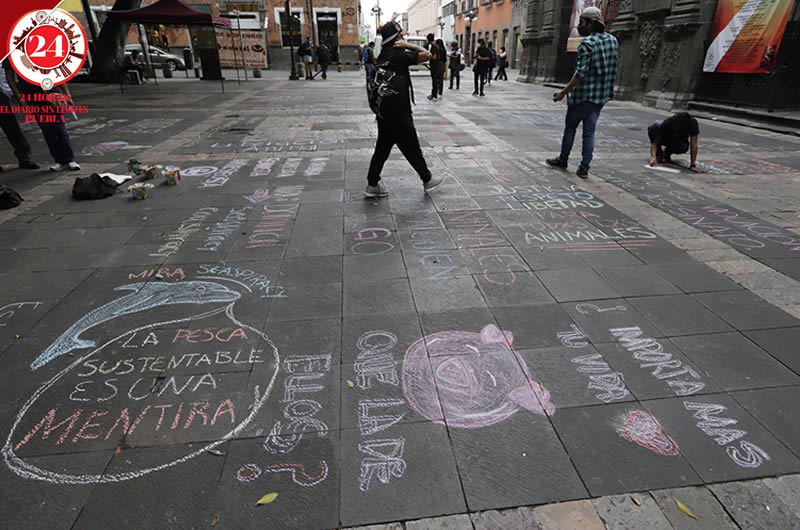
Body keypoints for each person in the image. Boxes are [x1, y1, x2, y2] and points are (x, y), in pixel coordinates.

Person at [365, 22, 445, 198]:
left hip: (384, 112)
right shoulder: (398, 55)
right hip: (399, 113)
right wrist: (410, 45)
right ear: (396, 37)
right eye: (401, 35)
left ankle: (372, 184)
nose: (403, 37)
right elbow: (429, 55)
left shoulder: (383, 54)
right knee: (412, 148)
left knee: (382, 148)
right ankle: (427, 179)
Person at [546, 6, 618, 179]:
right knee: (589, 132)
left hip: (583, 96)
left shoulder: (587, 43)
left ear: (591, 23)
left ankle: (563, 159)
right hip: (600, 96)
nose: (579, 25)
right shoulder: (613, 40)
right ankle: (584, 167)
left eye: (582, 22)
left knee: (570, 128)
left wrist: (563, 92)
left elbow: (580, 73)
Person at [4, 59, 80, 172]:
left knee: (60, 129)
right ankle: (59, 160)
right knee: (48, 131)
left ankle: (69, 159)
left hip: (51, 93)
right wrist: (20, 97)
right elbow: (10, 78)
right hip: (33, 97)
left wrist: (67, 94)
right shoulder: (11, 56)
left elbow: (56, 71)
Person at [0, 62, 39, 171]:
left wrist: (10, 93)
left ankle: (24, 157)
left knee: (12, 127)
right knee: (12, 127)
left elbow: (6, 75)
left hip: (2, 94)